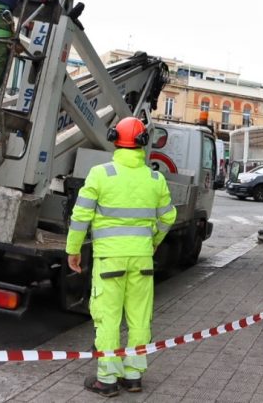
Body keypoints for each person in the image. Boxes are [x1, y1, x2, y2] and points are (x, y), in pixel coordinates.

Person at [65, 116, 176, 397]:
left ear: (115, 140)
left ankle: (107, 379)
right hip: (142, 261)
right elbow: (168, 217)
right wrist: (152, 242)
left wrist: (73, 249)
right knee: (140, 319)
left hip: (109, 262)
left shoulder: (100, 174)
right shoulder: (155, 178)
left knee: (108, 319)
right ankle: (134, 376)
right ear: (142, 143)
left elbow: (81, 216)